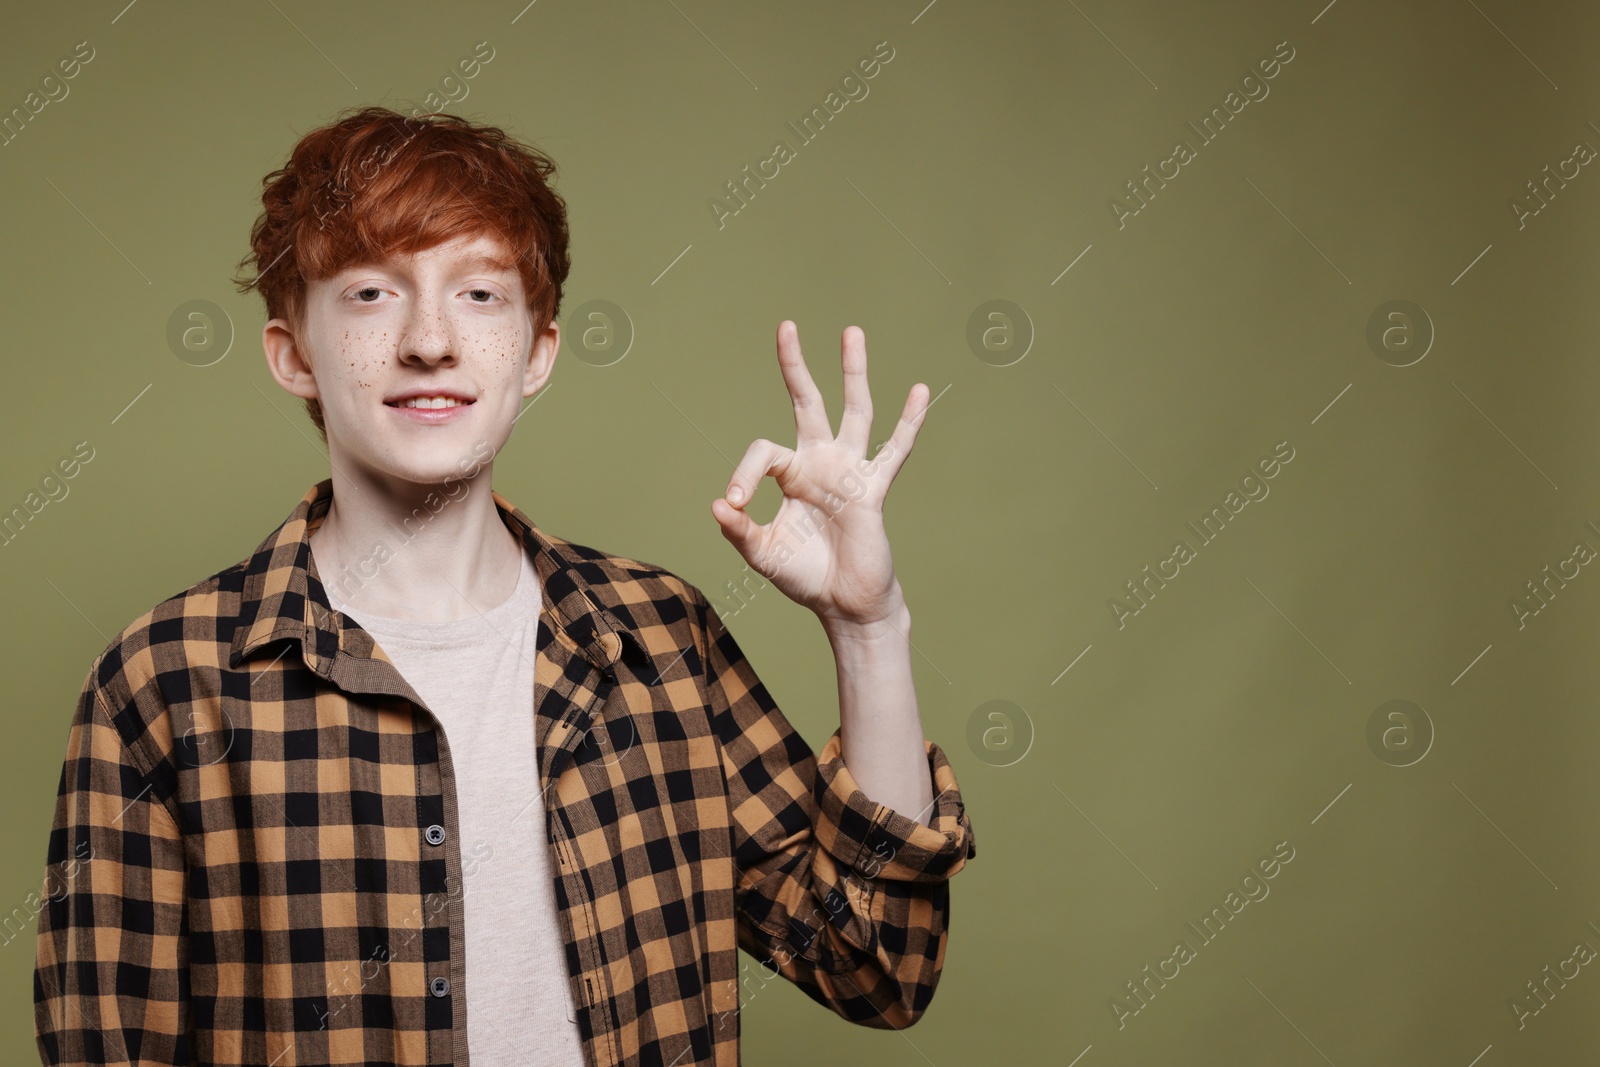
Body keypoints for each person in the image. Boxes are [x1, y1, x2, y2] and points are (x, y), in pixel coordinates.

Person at [33, 105, 976, 1067]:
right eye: (370, 293)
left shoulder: (659, 637)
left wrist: (869, 629)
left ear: (537, 354)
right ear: (293, 355)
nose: (431, 340)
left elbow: (878, 964)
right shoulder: (167, 680)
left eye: (480, 294)